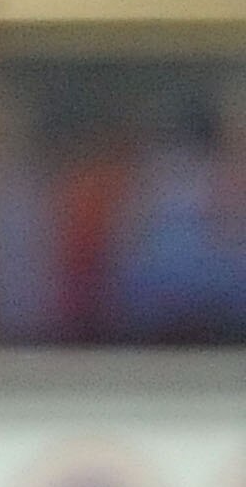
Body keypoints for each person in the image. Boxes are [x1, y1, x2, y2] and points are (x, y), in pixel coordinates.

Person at [104, 79, 246, 346]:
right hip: (158, 297)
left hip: (216, 297)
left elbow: (230, 238)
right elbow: (130, 243)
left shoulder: (221, 175)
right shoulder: (151, 175)